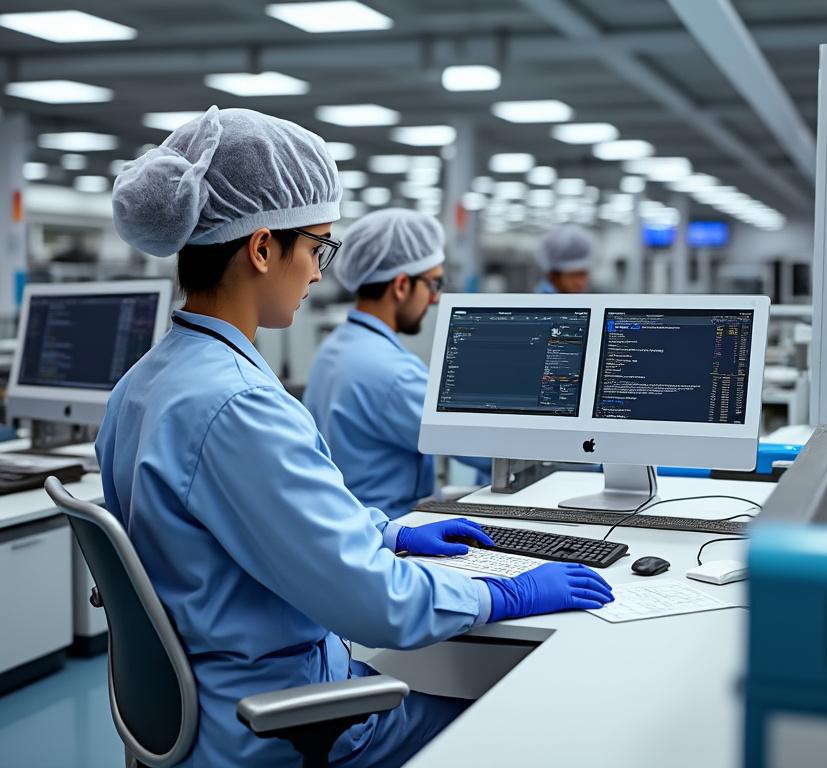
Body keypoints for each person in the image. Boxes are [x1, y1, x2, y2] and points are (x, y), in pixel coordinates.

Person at [100, 106, 613, 768]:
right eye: (316, 246)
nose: (319, 274)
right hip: (270, 723)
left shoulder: (141, 385)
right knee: (522, 721)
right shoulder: (241, 405)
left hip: (205, 706)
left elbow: (287, 522)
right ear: (261, 248)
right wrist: (507, 591)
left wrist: (391, 533)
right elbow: (379, 606)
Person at [305, 208, 490, 519]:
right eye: (433, 284)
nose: (434, 299)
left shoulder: (336, 347)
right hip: (394, 535)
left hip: (349, 521)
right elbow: (484, 451)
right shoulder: (393, 375)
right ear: (402, 285)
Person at [536, 224, 593, 294]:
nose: (580, 283)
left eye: (583, 274)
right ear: (554, 276)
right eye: (574, 275)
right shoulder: (540, 303)